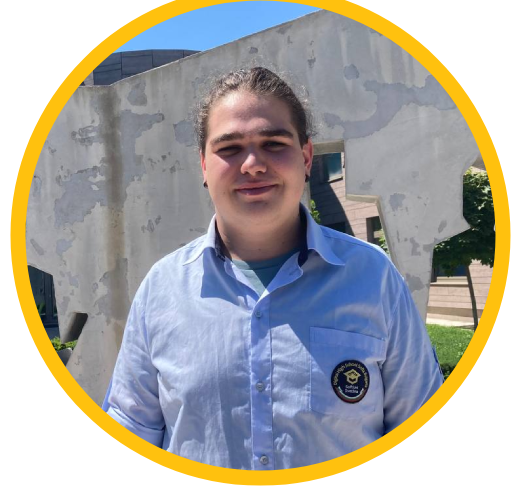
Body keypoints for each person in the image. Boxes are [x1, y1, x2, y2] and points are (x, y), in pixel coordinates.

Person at [103, 67, 444, 470]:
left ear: (306, 157)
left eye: (274, 143)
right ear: (204, 166)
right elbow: (131, 429)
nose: (252, 164)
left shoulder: (374, 277)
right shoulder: (162, 289)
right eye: (229, 148)